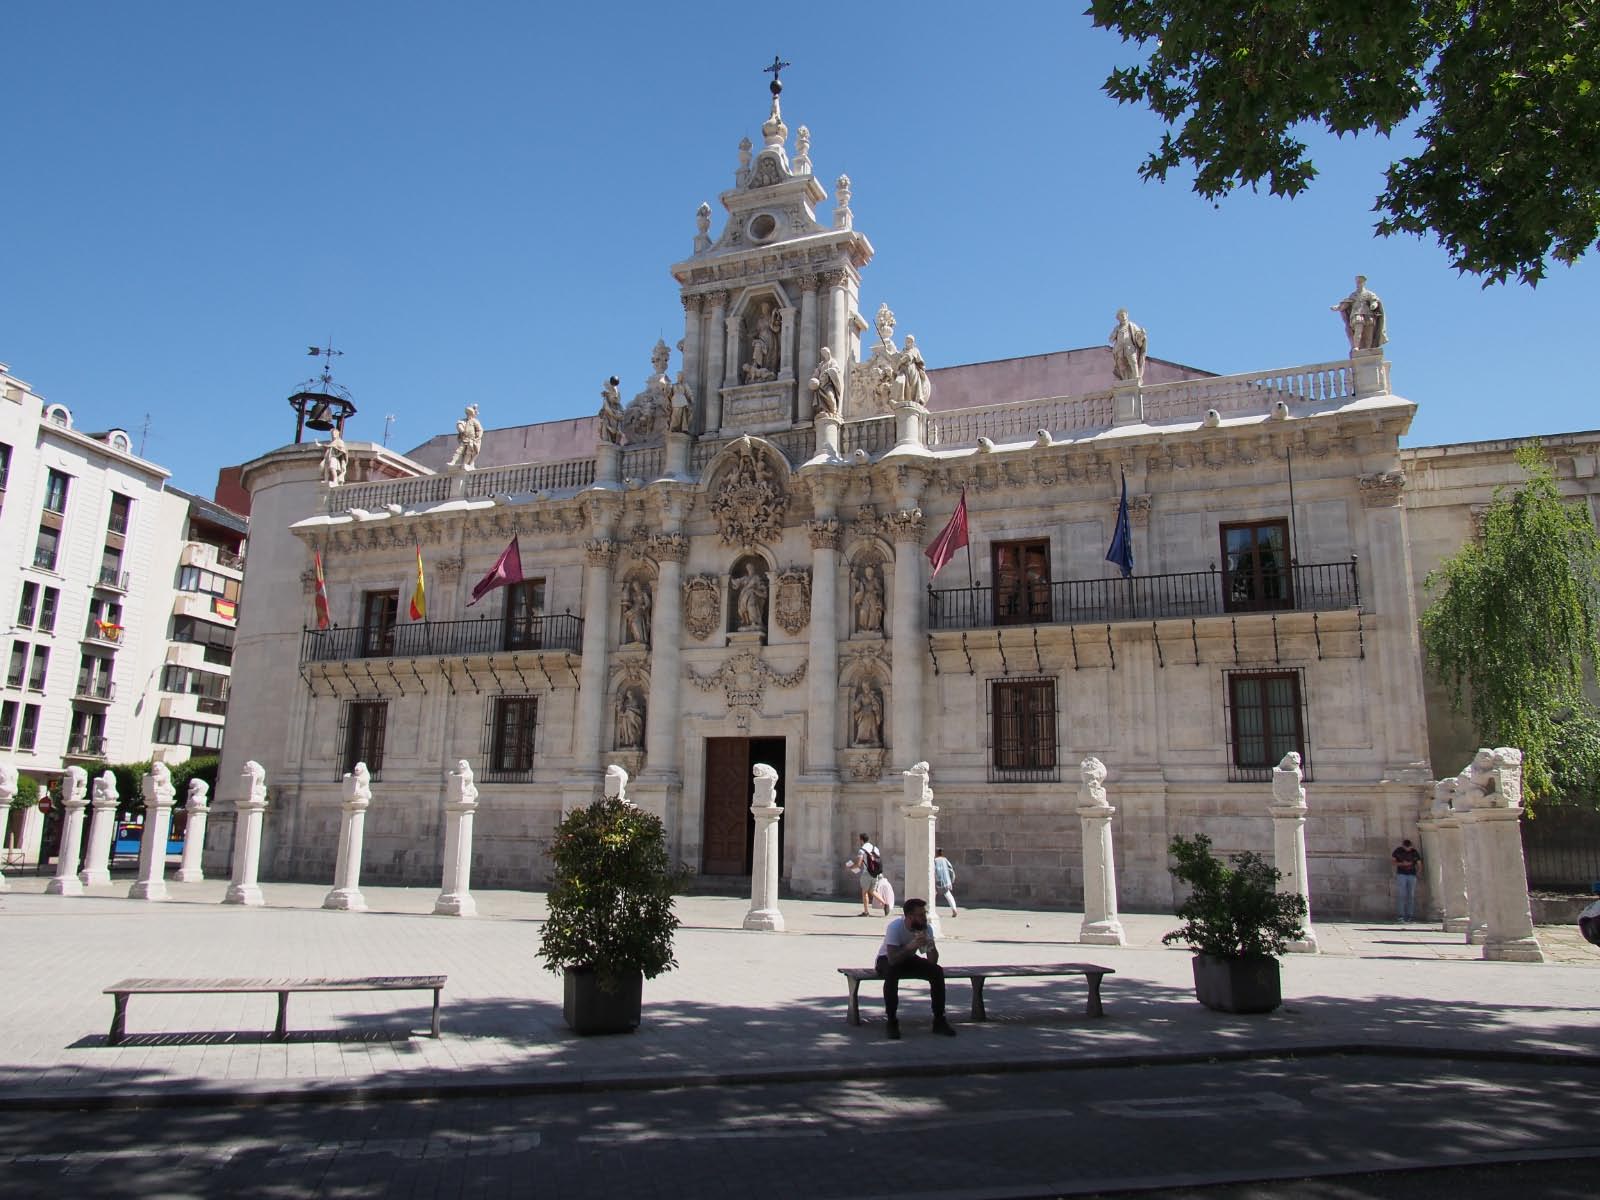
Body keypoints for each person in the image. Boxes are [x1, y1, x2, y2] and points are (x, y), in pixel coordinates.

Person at [875, 898, 957, 1039]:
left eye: (924, 914)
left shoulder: (925, 928)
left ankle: (939, 1019)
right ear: (909, 917)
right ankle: (892, 1020)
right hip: (887, 959)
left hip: (908, 959)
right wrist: (910, 947)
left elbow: (932, 961)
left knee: (936, 971)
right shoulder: (895, 927)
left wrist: (930, 945)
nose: (924, 918)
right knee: (892, 973)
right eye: (920, 915)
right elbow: (892, 959)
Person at [845, 832, 881, 916]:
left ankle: (866, 912)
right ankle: (885, 903)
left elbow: (858, 864)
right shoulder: (875, 848)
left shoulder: (862, 850)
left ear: (861, 840)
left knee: (864, 892)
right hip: (875, 873)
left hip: (867, 873)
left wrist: (850, 867)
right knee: (872, 891)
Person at [1108, 309, 1148, 384]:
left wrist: (1142, 334)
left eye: (1123, 314)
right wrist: (1114, 334)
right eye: (1120, 315)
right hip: (1119, 348)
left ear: (1127, 315)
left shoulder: (1132, 325)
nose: (1122, 316)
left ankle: (1136, 377)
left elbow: (1138, 335)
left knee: (1133, 361)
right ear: (1118, 318)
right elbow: (1110, 339)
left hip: (1129, 346)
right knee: (1121, 364)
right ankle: (1124, 379)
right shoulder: (1117, 328)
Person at [1392, 838, 1422, 922]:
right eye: (1406, 847)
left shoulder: (1414, 852)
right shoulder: (1398, 851)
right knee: (1401, 895)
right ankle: (1401, 916)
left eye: (1409, 847)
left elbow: (1419, 864)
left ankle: (1409, 916)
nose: (1407, 849)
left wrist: (1418, 873)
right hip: (1401, 874)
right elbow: (1393, 862)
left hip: (1412, 875)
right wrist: (1402, 864)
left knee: (1410, 896)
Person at [934, 847, 959, 917]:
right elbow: (951, 869)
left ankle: (930, 910)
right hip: (946, 881)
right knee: (948, 895)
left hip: (938, 881)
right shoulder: (945, 860)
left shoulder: (935, 860)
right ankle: (954, 909)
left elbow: (934, 871)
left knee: (932, 896)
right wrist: (952, 879)